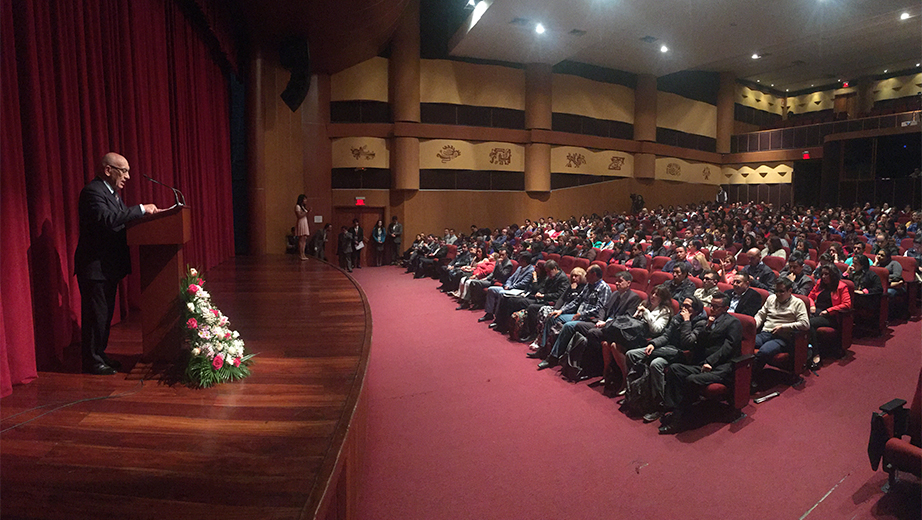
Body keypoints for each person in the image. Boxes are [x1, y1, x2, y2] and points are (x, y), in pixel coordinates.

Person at [75, 152, 159, 375]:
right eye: (124, 171)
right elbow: (107, 219)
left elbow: (119, 219)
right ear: (107, 170)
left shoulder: (111, 194)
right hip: (95, 268)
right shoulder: (92, 192)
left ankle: (100, 355)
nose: (128, 177)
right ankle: (92, 361)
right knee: (96, 316)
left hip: (108, 267)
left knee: (104, 315)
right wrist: (140, 209)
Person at [659, 292, 741, 434]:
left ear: (726, 308)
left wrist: (710, 361)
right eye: (711, 305)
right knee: (675, 369)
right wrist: (707, 328)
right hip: (702, 364)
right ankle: (673, 409)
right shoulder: (710, 321)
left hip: (721, 368)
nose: (712, 308)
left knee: (692, 379)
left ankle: (679, 421)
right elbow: (700, 343)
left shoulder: (733, 323)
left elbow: (728, 347)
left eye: (716, 306)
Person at [625, 295, 708, 423]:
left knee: (655, 364)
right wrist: (653, 344)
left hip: (680, 354)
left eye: (687, 306)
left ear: (696, 310)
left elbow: (688, 344)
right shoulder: (677, 317)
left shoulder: (701, 323)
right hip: (666, 348)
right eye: (683, 305)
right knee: (632, 354)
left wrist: (686, 322)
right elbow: (666, 336)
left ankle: (658, 405)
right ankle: (636, 393)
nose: (683, 308)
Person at [751, 278, 810, 390]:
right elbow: (761, 314)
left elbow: (805, 324)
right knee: (744, 343)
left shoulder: (798, 303)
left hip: (782, 338)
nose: (778, 294)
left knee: (764, 351)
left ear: (790, 291)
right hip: (766, 333)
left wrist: (784, 327)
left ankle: (752, 378)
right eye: (776, 291)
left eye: (781, 291)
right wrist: (754, 325)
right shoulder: (771, 299)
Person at [806, 263, 852, 369]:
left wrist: (829, 310)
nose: (823, 277)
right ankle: (805, 349)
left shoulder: (841, 286)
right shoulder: (820, 283)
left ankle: (816, 354)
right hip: (817, 312)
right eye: (822, 274)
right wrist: (812, 305)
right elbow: (810, 296)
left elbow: (847, 304)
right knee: (802, 320)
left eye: (827, 274)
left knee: (810, 323)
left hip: (831, 317)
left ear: (833, 274)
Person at [294, 195, 311, 260]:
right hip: (301, 222)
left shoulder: (303, 207)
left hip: (304, 222)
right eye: (304, 199)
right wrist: (306, 212)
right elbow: (299, 216)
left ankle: (303, 253)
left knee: (304, 238)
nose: (305, 201)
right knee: (301, 239)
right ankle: (301, 254)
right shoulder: (297, 206)